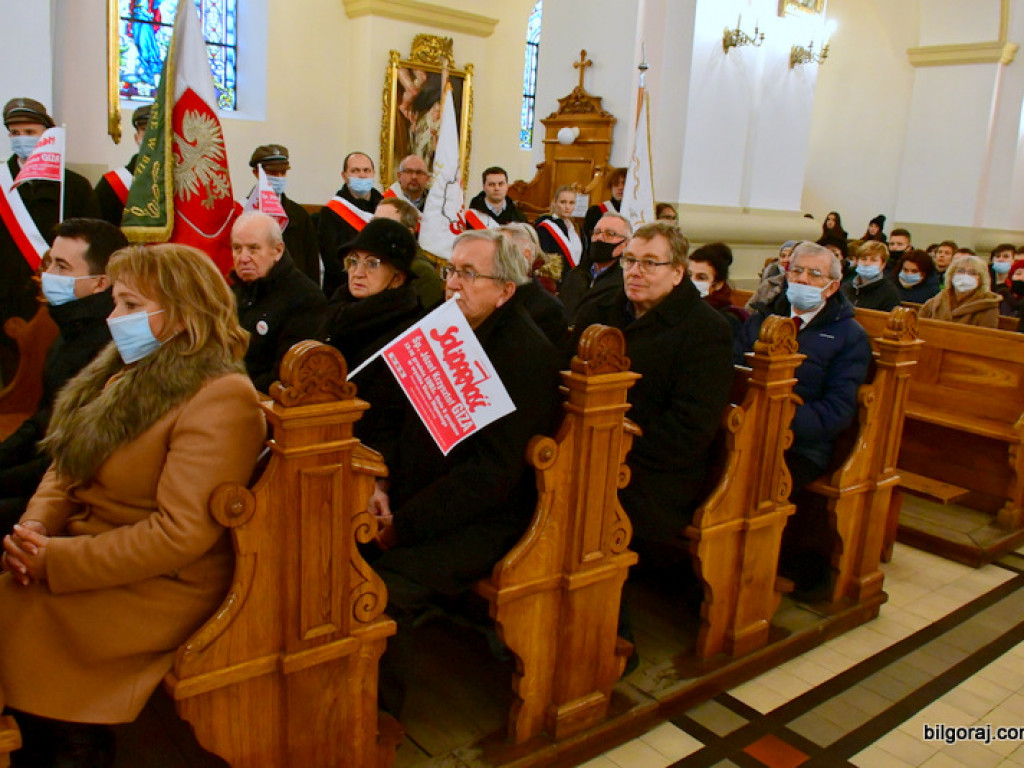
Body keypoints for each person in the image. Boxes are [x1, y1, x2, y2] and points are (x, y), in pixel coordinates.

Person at [0, 243, 266, 767]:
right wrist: (34, 527)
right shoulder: (125, 371)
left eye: (129, 305)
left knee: (17, 612)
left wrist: (55, 560)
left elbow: (180, 536)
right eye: (115, 302)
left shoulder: (221, 397)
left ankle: (73, 746)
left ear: (183, 313)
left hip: (162, 584)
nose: (113, 318)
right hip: (94, 549)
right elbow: (67, 464)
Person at [367, 229, 561, 711]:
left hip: (489, 517)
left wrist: (404, 526)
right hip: (419, 495)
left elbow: (492, 476)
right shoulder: (443, 327)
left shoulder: (524, 354)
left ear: (506, 291)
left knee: (379, 589)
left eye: (470, 274)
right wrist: (380, 483)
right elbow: (398, 414)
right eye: (450, 270)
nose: (453, 284)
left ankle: (375, 716)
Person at [573, 222, 733, 567]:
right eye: (629, 260)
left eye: (649, 263)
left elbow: (690, 429)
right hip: (591, 449)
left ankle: (602, 610)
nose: (634, 272)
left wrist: (612, 455)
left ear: (677, 272)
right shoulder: (601, 312)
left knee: (580, 503)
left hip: (655, 473)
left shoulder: (706, 331)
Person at [740, 242, 871, 597]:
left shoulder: (849, 337)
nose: (803, 279)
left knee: (755, 483)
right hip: (745, 431)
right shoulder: (763, 318)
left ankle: (752, 575)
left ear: (832, 286)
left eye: (815, 274)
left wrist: (778, 424)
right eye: (797, 271)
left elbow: (837, 411)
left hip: (802, 444)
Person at [0, 219, 126, 534]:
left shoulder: (110, 344)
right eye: (49, 263)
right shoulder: (71, 325)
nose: (48, 277)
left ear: (100, 283)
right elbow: (46, 417)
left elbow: (71, 455)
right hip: (45, 475)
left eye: (62, 267)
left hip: (74, 489)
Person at [1, 98, 100, 383]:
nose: (22, 139)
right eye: (15, 132)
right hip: (9, 307)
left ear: (47, 135)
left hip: (67, 304)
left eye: (30, 132)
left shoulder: (76, 186)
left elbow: (95, 248)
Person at [322, 218, 424, 461]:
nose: (358, 272)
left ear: (397, 278)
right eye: (354, 261)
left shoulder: (407, 333)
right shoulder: (336, 310)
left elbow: (395, 422)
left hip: (364, 456)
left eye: (373, 264)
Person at [231, 211, 326, 393]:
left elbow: (286, 373)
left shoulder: (305, 298)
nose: (243, 258)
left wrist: (234, 392)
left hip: (267, 403)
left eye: (253, 249)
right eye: (237, 248)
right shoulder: (231, 294)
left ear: (278, 251)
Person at [248, 144, 321, 285]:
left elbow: (311, 263)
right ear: (256, 173)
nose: (279, 177)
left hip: (294, 290)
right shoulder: (245, 212)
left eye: (283, 172)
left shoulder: (298, 215)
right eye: (273, 173)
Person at [319, 151, 383, 297]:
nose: (362, 175)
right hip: (343, 290)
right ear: (344, 176)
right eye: (355, 171)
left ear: (373, 173)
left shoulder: (385, 207)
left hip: (379, 289)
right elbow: (332, 261)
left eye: (366, 170)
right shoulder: (331, 212)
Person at [499, 223, 569, 345]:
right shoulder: (487, 292)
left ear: (526, 255)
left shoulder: (548, 309)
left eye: (503, 251)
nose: (495, 258)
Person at [373, 198, 444, 309]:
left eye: (386, 224)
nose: (376, 230)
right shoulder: (370, 263)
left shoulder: (421, 271)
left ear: (408, 232)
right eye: (374, 223)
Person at [559, 212, 631, 320]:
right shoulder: (574, 274)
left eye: (610, 234)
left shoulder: (626, 282)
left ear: (626, 244)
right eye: (597, 232)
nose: (600, 238)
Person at [687, 242, 748, 351]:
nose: (692, 281)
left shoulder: (726, 319)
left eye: (701, 277)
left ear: (718, 284)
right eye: (689, 275)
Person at [95, 105, 150, 226]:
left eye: (159, 131)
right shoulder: (112, 184)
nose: (153, 138)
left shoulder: (185, 182)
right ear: (137, 138)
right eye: (146, 129)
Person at [919, 253, 1001, 328]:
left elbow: (987, 338)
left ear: (982, 279)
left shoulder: (987, 305)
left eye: (973, 273)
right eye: (960, 271)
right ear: (951, 275)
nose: (965, 276)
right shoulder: (937, 300)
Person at [534, 184, 583, 287]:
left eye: (571, 203)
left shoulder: (575, 228)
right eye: (563, 202)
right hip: (555, 281)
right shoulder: (545, 227)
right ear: (555, 202)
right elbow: (544, 258)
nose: (567, 207)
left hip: (573, 281)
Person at [841, 240, 900, 311]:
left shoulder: (889, 292)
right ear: (857, 261)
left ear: (883, 265)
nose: (867, 263)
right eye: (863, 259)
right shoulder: (845, 287)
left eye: (873, 260)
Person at [746, 239, 798, 309]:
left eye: (790, 256)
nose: (786, 260)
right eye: (783, 256)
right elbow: (749, 309)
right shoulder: (768, 283)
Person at [582, 167, 626, 243]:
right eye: (616, 184)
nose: (620, 187)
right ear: (611, 186)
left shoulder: (639, 213)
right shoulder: (596, 211)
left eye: (624, 183)